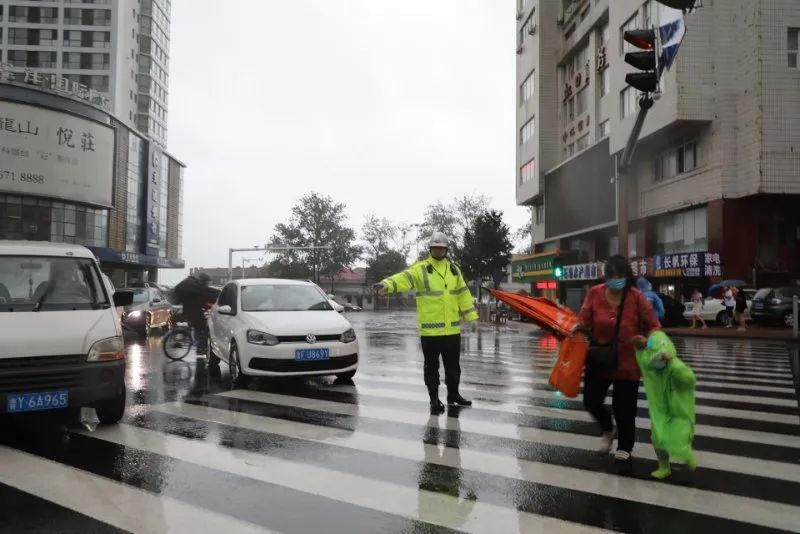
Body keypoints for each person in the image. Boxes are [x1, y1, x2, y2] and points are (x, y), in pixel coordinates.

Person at [374, 232, 479, 414]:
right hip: (430, 333)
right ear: (430, 249)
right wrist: (387, 285)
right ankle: (434, 400)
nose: (439, 250)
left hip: (452, 331)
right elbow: (404, 278)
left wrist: (472, 318)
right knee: (432, 370)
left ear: (446, 250)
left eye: (442, 248)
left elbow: (463, 294)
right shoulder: (421, 269)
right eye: (435, 247)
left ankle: (453, 395)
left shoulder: (454, 270)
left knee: (454, 368)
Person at [579, 255, 661, 463]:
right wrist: (576, 328)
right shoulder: (594, 294)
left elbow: (654, 326)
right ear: (605, 276)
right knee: (591, 400)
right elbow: (584, 320)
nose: (615, 279)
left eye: (619, 275)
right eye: (611, 275)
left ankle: (625, 445)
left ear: (626, 276)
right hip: (600, 356)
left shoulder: (636, 297)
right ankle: (607, 429)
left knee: (624, 407)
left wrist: (646, 340)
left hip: (628, 361)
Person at [635, 331, 697, 479]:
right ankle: (664, 467)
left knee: (680, 434)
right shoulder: (650, 368)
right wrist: (639, 345)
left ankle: (685, 452)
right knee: (658, 437)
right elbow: (643, 358)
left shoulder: (674, 366)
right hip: (660, 409)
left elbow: (689, 379)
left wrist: (674, 367)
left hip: (679, 409)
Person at [173, 272, 214, 355]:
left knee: (197, 326)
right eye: (207, 282)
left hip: (188, 310)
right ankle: (201, 348)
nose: (208, 284)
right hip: (193, 312)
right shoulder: (198, 288)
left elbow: (198, 302)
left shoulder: (193, 286)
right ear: (204, 281)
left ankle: (192, 339)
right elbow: (203, 303)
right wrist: (211, 306)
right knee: (204, 327)